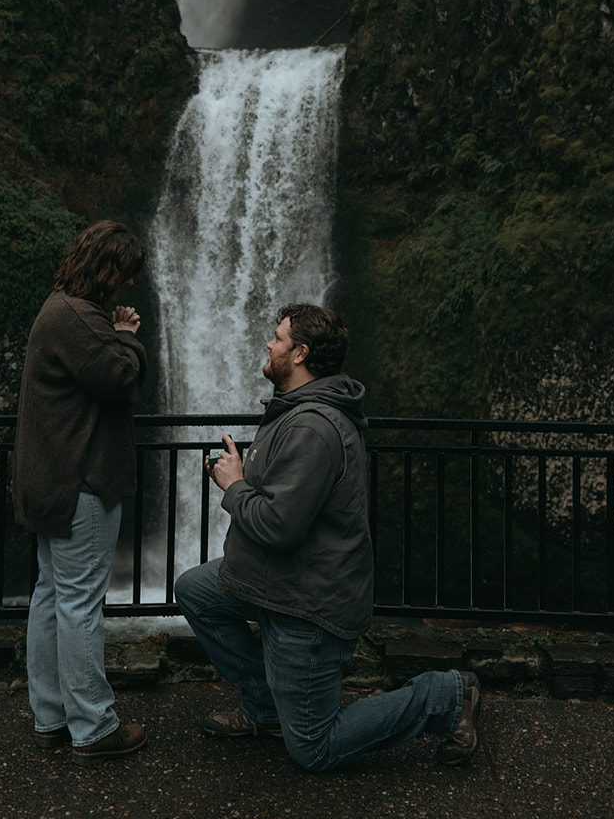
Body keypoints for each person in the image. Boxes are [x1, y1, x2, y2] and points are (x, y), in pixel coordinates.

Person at [174, 302, 480, 773]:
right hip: (277, 579)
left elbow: (279, 525)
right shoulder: (294, 411)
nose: (268, 344)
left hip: (307, 600)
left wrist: (233, 485)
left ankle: (445, 696)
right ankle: (265, 705)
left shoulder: (314, 426)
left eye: (277, 338)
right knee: (196, 590)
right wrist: (242, 472)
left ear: (300, 353)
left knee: (314, 749)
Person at [12, 220, 149, 761]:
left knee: (51, 596)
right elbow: (119, 377)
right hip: (80, 483)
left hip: (52, 478)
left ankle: (51, 716)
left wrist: (112, 333)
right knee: (79, 602)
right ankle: (92, 726)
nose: (129, 285)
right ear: (109, 268)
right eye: (126, 274)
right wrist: (128, 338)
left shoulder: (63, 309)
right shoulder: (77, 317)